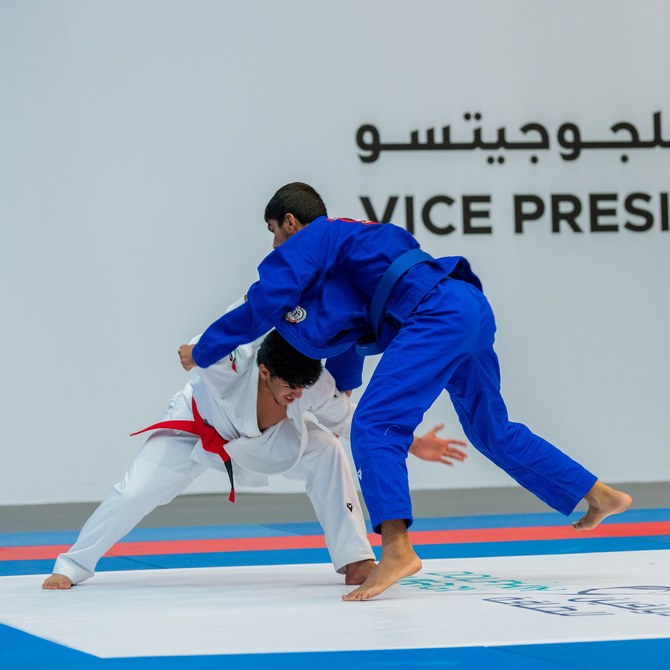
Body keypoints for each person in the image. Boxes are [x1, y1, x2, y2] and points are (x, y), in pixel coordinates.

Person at [178, 181, 632, 602]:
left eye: (274, 232)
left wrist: (203, 350)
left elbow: (263, 304)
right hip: (466, 305)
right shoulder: (349, 245)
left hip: (434, 316)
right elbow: (349, 339)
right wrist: (344, 392)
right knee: (492, 431)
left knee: (375, 425)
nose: (275, 245)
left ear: (291, 222)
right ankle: (596, 493)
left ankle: (397, 548)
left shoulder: (314, 238)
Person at [43, 327, 467, 590]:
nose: (296, 395)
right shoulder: (231, 362)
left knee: (327, 449)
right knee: (134, 491)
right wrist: (194, 348)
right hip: (195, 431)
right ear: (264, 371)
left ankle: (355, 559)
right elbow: (210, 338)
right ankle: (74, 564)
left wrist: (413, 444)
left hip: (266, 444)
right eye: (289, 388)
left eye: (302, 389)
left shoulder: (312, 382)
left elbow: (354, 422)